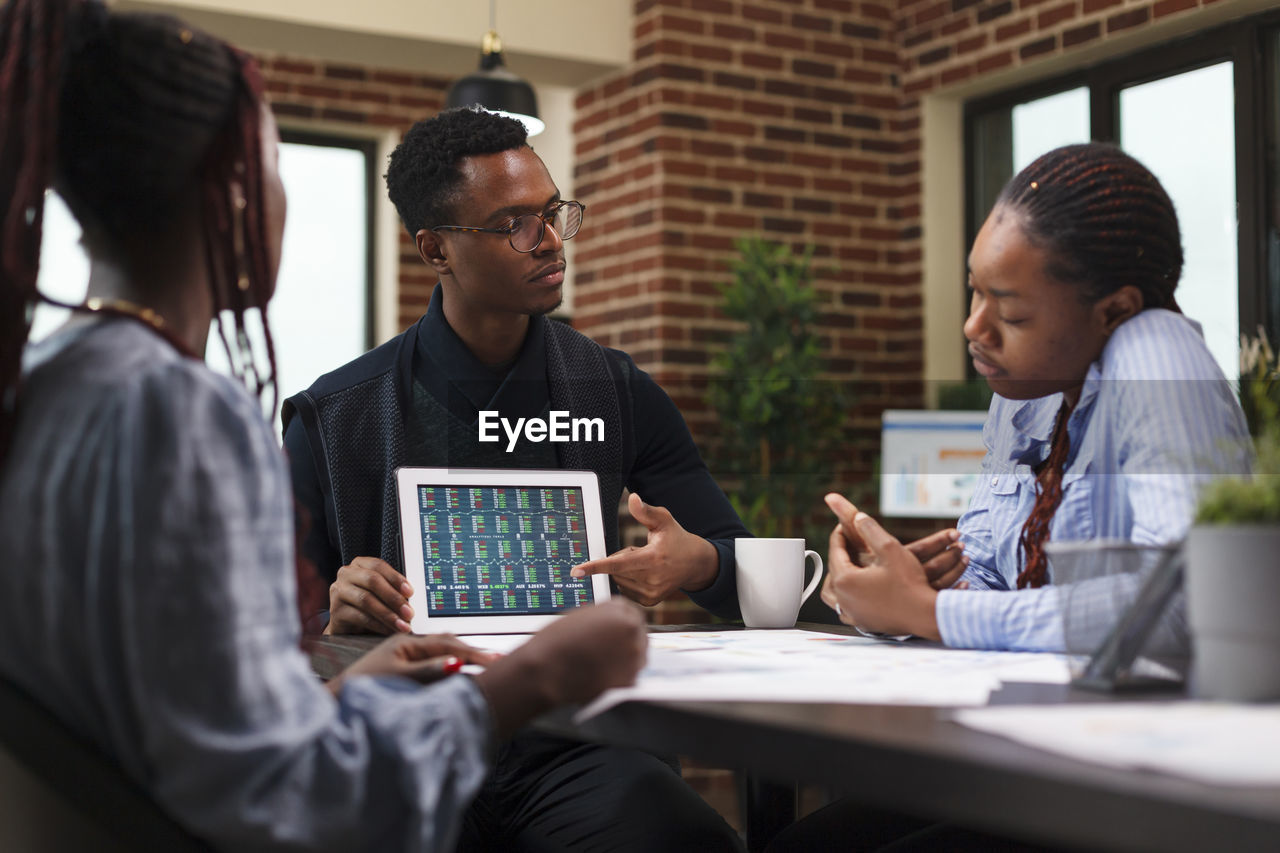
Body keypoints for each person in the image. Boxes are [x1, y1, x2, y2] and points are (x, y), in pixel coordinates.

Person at [0, 2, 647, 850]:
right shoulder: (180, 416)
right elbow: (296, 805)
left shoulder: (51, 382)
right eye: (271, 164)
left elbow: (178, 730)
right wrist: (528, 680)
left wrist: (345, 692)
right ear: (229, 184)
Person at [282, 106, 745, 851]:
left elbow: (738, 565)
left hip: (580, 747)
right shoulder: (333, 416)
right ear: (436, 248)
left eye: (552, 211)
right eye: (513, 224)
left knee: (684, 836)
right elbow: (269, 655)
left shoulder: (614, 390)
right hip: (412, 743)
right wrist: (332, 621)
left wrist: (703, 560)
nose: (550, 239)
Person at [820, 141, 1252, 652]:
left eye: (1013, 315)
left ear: (1115, 312)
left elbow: (1187, 598)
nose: (973, 327)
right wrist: (891, 590)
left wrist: (931, 611)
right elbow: (985, 576)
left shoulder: (1154, 348)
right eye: (975, 291)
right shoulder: (1029, 387)